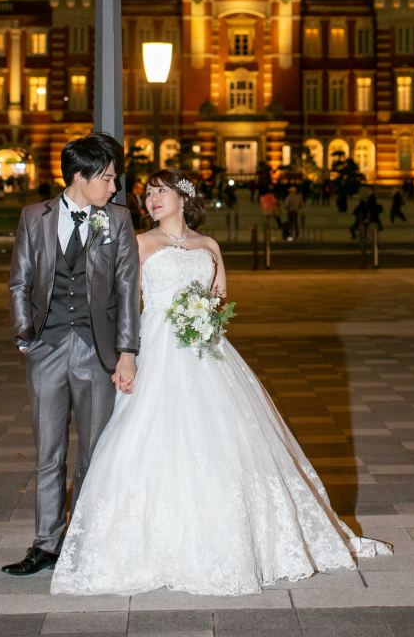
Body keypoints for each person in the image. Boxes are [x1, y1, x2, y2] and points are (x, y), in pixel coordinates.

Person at [50, 168, 392, 596]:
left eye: (161, 191)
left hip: (205, 351)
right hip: (156, 349)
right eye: (148, 193)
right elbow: (124, 306)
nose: (151, 199)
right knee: (149, 435)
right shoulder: (139, 243)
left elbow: (219, 297)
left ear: (184, 197)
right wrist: (127, 356)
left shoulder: (208, 245)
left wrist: (204, 316)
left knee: (224, 437)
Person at [2, 133, 140, 577]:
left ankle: (81, 541)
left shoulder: (117, 219)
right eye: (107, 177)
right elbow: (20, 281)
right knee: (48, 452)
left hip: (96, 352)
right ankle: (45, 544)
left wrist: (126, 352)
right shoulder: (34, 217)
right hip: (47, 349)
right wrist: (26, 337)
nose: (114, 186)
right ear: (80, 177)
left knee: (94, 454)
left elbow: (126, 291)